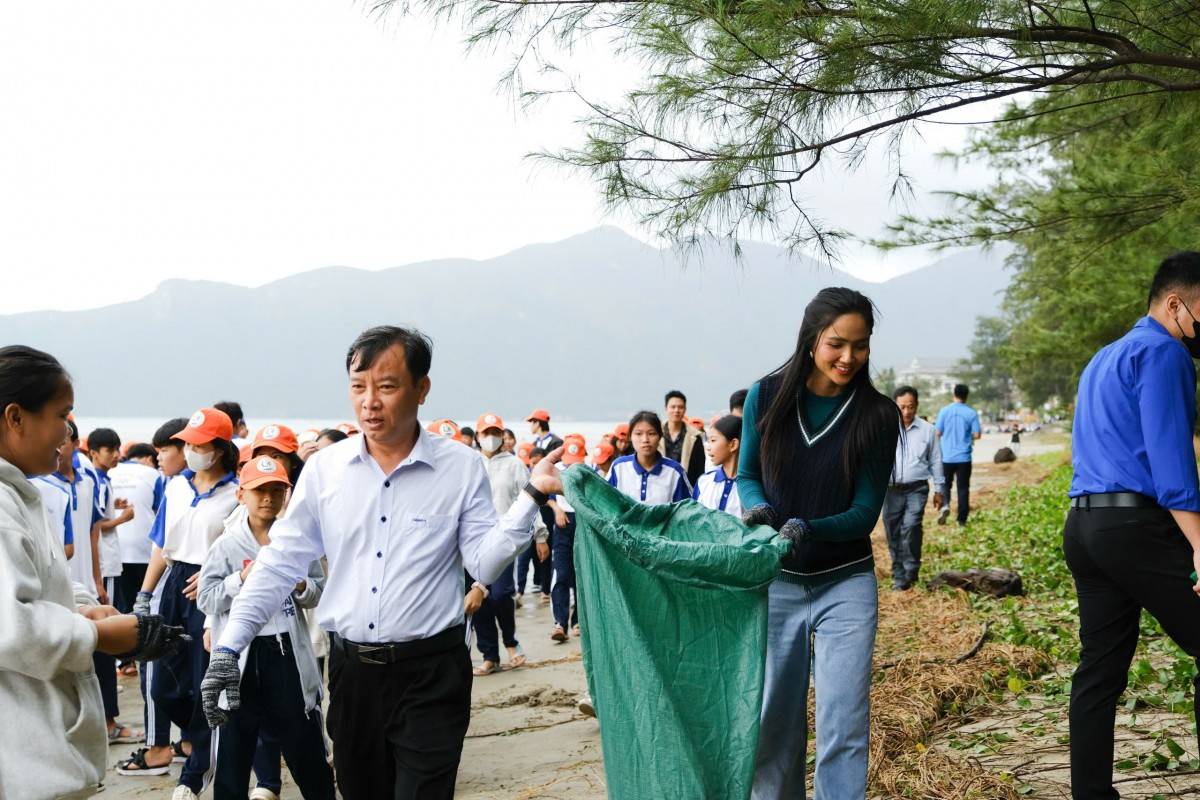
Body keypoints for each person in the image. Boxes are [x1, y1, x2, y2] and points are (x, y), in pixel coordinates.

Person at [200, 325, 564, 800]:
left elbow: (483, 561)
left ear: (422, 388)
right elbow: (279, 565)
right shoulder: (325, 471)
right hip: (354, 678)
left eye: (386, 387)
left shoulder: (460, 467)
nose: (369, 401)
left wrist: (532, 495)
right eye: (358, 387)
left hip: (432, 674)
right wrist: (229, 649)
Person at [0, 345, 188, 800]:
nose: (68, 433)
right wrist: (100, 635)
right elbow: (11, 626)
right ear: (15, 417)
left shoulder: (20, 493)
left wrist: (88, 608)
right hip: (23, 762)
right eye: (62, 415)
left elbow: (47, 576)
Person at [738, 287, 900, 799]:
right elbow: (746, 475)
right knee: (772, 723)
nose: (848, 357)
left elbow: (862, 515)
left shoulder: (876, 415)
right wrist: (759, 511)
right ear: (812, 340)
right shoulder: (765, 397)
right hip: (777, 582)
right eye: (836, 344)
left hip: (845, 585)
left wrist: (807, 526)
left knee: (843, 724)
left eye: (861, 345)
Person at [1064, 252, 1200, 800]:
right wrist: (1199, 546)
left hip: (1085, 528)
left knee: (1098, 672)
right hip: (1133, 527)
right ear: (1176, 304)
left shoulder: (1105, 356)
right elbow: (1172, 469)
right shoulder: (1166, 353)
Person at [197, 457, 335, 800]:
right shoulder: (227, 544)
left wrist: (301, 586)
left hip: (285, 649)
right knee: (234, 747)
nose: (268, 498)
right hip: (241, 655)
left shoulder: (296, 541)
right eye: (260, 490)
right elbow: (206, 598)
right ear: (242, 494)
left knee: (303, 743)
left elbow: (317, 592)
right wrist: (240, 579)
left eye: (277, 491)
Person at [134, 407, 241, 800]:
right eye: (188, 444)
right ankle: (199, 741)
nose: (191, 450)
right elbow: (162, 544)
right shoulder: (175, 486)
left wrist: (217, 578)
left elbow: (243, 547)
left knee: (202, 682)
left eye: (199, 444)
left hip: (208, 590)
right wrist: (145, 595)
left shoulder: (237, 492)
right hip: (175, 582)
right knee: (163, 686)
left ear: (219, 448)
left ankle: (193, 777)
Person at [469, 413, 548, 673]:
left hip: (504, 541)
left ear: (502, 435)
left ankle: (510, 641)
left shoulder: (514, 464)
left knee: (502, 594)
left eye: (495, 432)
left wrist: (540, 535)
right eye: (485, 432)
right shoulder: (470, 463)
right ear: (478, 436)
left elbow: (530, 500)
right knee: (478, 601)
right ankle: (490, 656)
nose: (490, 437)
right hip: (474, 541)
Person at [883, 386, 944, 591]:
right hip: (890, 490)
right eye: (902, 407)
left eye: (911, 407)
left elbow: (936, 461)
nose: (907, 412)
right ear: (895, 406)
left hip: (917, 489)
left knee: (910, 527)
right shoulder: (885, 428)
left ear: (917, 405)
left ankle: (912, 569)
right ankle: (899, 575)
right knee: (892, 532)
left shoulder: (927, 430)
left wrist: (939, 489)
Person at [609, 411, 693, 505]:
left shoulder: (675, 472)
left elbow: (686, 510)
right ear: (630, 437)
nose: (645, 440)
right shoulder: (618, 467)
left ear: (660, 436)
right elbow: (605, 503)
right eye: (638, 434)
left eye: (651, 433)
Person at [935, 383, 981, 526]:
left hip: (947, 457)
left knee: (945, 485)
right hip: (964, 458)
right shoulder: (971, 413)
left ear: (953, 394)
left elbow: (937, 433)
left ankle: (945, 506)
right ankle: (962, 519)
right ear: (966, 396)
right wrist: (968, 437)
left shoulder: (944, 411)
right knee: (963, 488)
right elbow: (977, 434)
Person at [693, 415, 742, 516]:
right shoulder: (704, 482)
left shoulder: (751, 488)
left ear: (733, 445)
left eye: (713, 440)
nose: (708, 447)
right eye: (708, 441)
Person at [659, 390, 707, 484]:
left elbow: (700, 469)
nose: (676, 410)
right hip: (660, 484)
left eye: (680, 407)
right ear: (666, 408)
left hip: (685, 486)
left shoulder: (695, 436)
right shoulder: (657, 433)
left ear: (685, 409)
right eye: (673, 407)